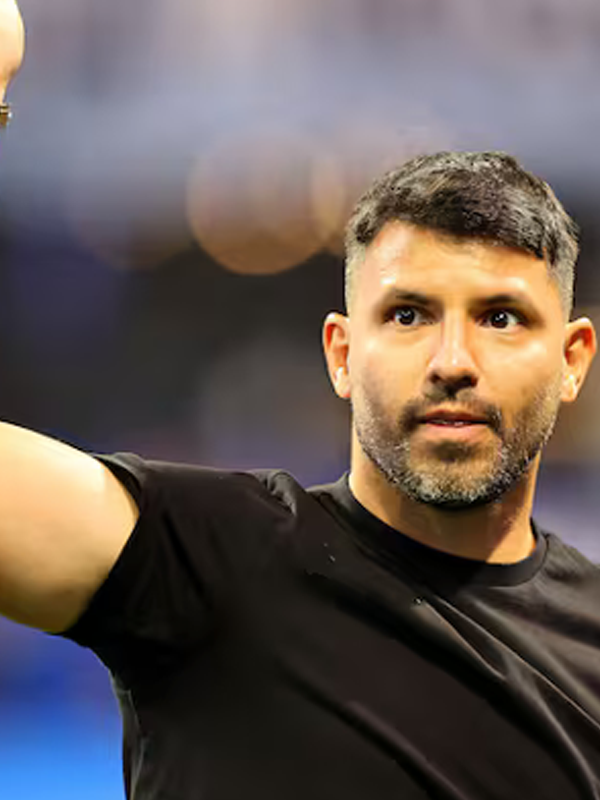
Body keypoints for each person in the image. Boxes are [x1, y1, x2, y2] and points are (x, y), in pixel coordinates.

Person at [1, 4, 600, 799]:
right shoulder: (208, 563)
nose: (453, 363)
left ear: (572, 359)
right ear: (341, 355)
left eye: (500, 318)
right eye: (408, 315)